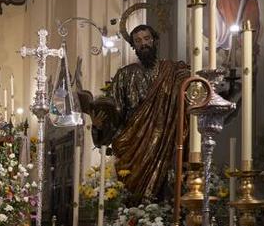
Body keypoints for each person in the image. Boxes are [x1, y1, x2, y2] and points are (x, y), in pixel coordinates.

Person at [77, 24, 191, 202]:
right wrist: (99, 125)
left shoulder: (173, 71)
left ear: (154, 41)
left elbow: (189, 96)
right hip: (133, 148)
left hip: (166, 143)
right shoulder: (124, 75)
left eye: (146, 39)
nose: (143, 44)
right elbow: (114, 113)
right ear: (133, 47)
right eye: (138, 41)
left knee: (165, 191)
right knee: (134, 198)